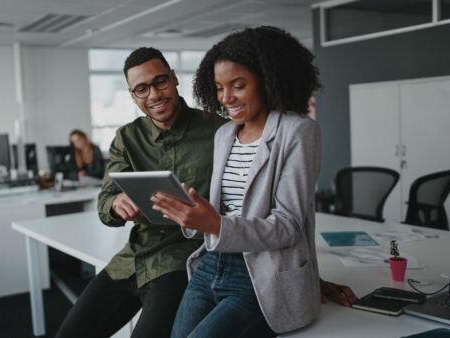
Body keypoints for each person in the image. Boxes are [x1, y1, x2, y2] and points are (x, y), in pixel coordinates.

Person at [150, 26, 336, 337]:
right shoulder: (224, 134)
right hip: (212, 263)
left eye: (238, 85)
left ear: (267, 80)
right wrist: (191, 214)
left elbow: (288, 226)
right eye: (219, 87)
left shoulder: (298, 131)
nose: (226, 98)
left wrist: (217, 225)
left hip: (262, 275)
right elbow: (225, 212)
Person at [56, 48, 225, 338]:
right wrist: (116, 203)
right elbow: (105, 203)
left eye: (160, 82)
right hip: (133, 257)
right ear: (133, 96)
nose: (154, 95)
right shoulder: (127, 137)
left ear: (173, 78)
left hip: (183, 260)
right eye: (141, 89)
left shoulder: (219, 131)